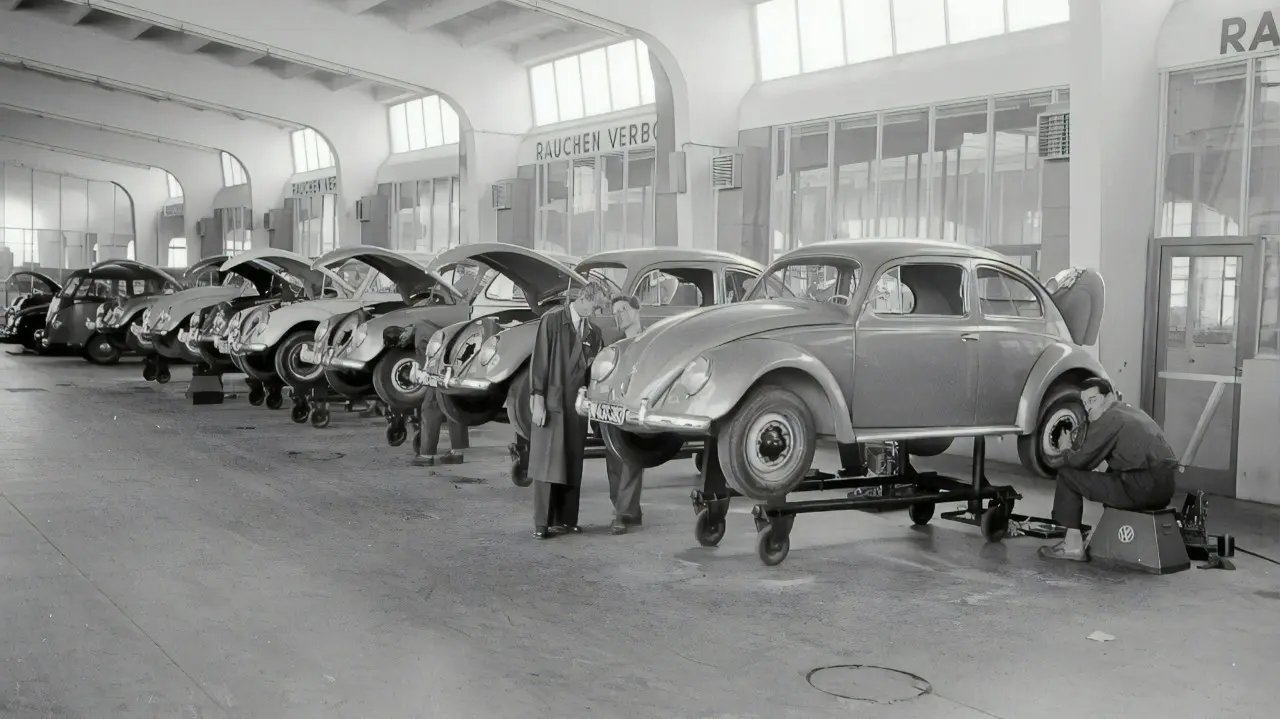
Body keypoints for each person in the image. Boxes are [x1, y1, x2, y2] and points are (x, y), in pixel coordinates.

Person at [1040, 377, 1179, 562]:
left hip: (1142, 489)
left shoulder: (1109, 418)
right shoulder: (1130, 412)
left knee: (1067, 475)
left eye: (1093, 400)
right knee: (1111, 474)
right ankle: (1103, 532)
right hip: (1163, 490)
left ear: (1109, 397)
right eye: (1084, 402)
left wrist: (1066, 447)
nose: (1088, 407)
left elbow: (1077, 463)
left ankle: (1072, 546)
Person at [528, 280, 610, 539]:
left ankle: (566, 519)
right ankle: (542, 523)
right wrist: (537, 399)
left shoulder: (593, 333)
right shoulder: (552, 322)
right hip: (552, 401)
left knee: (572, 460)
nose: (597, 314)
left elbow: (594, 372)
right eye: (596, 308)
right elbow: (539, 360)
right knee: (547, 462)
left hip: (575, 405)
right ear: (584, 299)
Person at [605, 294, 645, 535]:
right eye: (614, 311)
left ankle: (621, 513)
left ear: (636, 309)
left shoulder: (652, 339)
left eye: (622, 309)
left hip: (637, 406)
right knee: (613, 462)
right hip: (613, 407)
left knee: (631, 459)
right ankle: (630, 510)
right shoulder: (613, 344)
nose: (617, 314)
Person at [411, 322, 467, 467]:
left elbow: (426, 363)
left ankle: (426, 454)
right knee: (452, 403)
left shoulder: (420, 331)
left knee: (430, 406)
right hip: (460, 356)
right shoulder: (426, 321)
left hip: (440, 364)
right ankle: (457, 452)